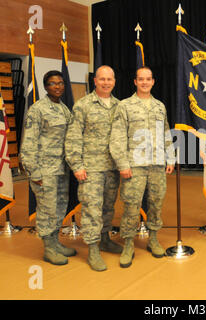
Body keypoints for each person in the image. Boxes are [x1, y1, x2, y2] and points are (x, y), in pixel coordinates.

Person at [109, 66, 175, 268]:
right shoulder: (125, 106)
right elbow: (118, 136)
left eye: (148, 79)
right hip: (134, 165)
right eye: (141, 79)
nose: (145, 82)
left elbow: (165, 132)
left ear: (153, 82)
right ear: (135, 82)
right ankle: (128, 243)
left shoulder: (159, 106)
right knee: (131, 205)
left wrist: (170, 157)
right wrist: (122, 164)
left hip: (156, 164)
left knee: (156, 202)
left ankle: (153, 238)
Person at [65, 65, 122, 272]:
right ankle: (92, 249)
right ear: (95, 81)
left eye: (110, 79)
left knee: (108, 206)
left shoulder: (119, 106)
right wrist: (77, 165)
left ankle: (105, 238)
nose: (106, 82)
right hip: (90, 169)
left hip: (112, 168)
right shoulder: (83, 105)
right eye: (102, 79)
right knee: (91, 209)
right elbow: (73, 137)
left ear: (114, 81)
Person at [20, 70, 76, 265]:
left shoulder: (64, 109)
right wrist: (34, 172)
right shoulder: (38, 109)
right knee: (46, 209)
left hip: (61, 169)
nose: (58, 86)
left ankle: (55, 242)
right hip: (44, 170)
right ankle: (48, 249)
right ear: (45, 86)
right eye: (53, 83)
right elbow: (28, 144)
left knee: (59, 206)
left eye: (61, 83)